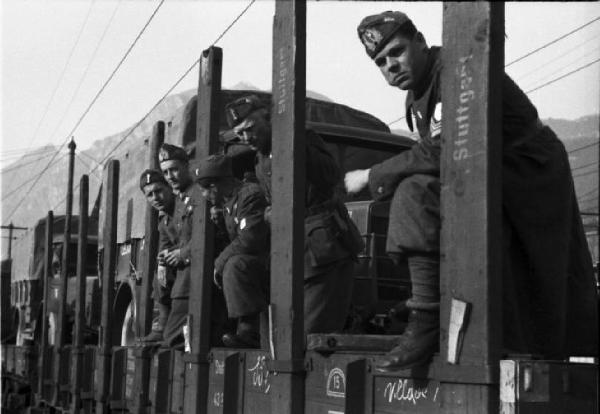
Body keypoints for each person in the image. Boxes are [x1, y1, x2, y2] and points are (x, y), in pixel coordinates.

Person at [345, 11, 598, 371]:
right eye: (381, 62)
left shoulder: (456, 66)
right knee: (438, 209)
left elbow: (447, 145)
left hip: (527, 171)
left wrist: (371, 174)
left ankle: (427, 317)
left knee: (541, 279)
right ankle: (432, 303)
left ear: (419, 41)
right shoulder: (419, 93)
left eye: (397, 52)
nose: (390, 66)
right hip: (491, 170)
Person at [224, 96, 364, 336]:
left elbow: (330, 175)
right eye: (240, 134)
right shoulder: (260, 160)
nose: (246, 138)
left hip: (324, 249)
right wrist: (270, 213)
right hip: (293, 253)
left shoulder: (301, 137)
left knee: (311, 336)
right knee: (287, 339)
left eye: (250, 129)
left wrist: (295, 144)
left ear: (269, 119)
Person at [196, 154, 270, 348]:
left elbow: (249, 239)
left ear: (215, 186)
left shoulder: (249, 195)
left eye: (205, 190)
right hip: (257, 265)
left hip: (269, 263)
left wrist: (219, 262)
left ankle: (248, 332)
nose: (204, 196)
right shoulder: (229, 201)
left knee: (234, 265)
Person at [138, 169, 177, 343]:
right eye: (149, 195)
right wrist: (162, 261)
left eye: (158, 191)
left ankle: (168, 325)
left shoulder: (182, 207)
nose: (155, 198)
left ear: (169, 187)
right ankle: (162, 322)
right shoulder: (164, 221)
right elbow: (163, 247)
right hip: (179, 262)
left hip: (191, 260)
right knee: (160, 271)